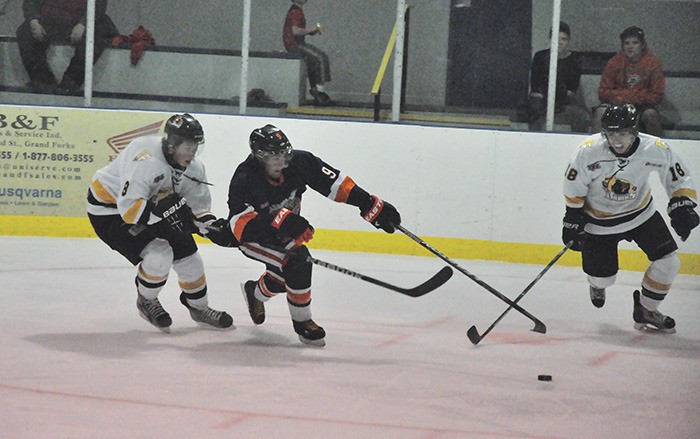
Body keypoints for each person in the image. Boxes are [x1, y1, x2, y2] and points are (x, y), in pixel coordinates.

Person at [223, 124, 401, 346]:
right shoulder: (244, 178)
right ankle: (303, 322)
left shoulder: (300, 162)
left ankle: (255, 292)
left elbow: (335, 183)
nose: (279, 161)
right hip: (254, 239)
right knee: (299, 262)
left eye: (282, 153)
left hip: (287, 235)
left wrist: (368, 203)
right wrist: (281, 221)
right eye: (271, 156)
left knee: (283, 279)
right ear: (259, 157)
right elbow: (240, 226)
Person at [87, 113, 234, 333]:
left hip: (153, 209)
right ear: (172, 144)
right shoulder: (145, 160)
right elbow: (129, 211)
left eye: (196, 146)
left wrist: (210, 227)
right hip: (109, 212)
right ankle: (146, 301)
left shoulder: (194, 168)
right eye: (187, 145)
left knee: (191, 260)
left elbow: (197, 208)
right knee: (159, 256)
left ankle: (200, 308)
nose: (192, 152)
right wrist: (166, 211)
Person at [562, 104, 698, 333]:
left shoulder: (655, 149)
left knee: (669, 262)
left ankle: (646, 309)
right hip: (599, 222)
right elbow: (573, 185)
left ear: (635, 131)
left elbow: (678, 177)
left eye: (623, 133)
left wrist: (682, 205)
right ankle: (597, 283)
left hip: (641, 214)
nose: (616, 140)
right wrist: (572, 216)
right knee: (604, 279)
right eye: (611, 133)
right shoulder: (587, 151)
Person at [16, 0, 117, 91]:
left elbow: (99, 4)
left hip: (82, 18)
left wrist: (84, 23)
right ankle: (43, 80)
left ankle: (71, 81)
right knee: (24, 32)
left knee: (96, 33)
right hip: (51, 17)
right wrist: (33, 21)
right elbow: (29, 2)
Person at [592, 26, 665, 136]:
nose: (630, 47)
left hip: (642, 106)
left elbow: (657, 95)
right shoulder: (614, 62)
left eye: (635, 43)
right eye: (627, 43)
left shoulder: (653, 64)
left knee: (651, 116)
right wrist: (626, 97)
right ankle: (595, 148)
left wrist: (630, 96)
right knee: (600, 112)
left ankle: (659, 149)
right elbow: (603, 92)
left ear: (642, 45)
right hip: (617, 104)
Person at [528, 21, 590, 132]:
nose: (560, 42)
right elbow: (535, 86)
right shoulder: (540, 56)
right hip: (542, 98)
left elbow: (572, 90)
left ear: (569, 41)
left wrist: (560, 93)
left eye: (564, 39)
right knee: (534, 107)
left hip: (564, 100)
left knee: (579, 114)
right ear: (550, 39)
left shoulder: (575, 60)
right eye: (556, 38)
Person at [283, 0, 332, 106]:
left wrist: (311, 31)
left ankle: (316, 89)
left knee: (315, 61)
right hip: (295, 44)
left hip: (296, 43)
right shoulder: (296, 12)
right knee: (321, 57)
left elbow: (298, 30)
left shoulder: (296, 10)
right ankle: (319, 91)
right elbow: (295, 31)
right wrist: (311, 29)